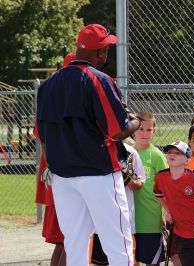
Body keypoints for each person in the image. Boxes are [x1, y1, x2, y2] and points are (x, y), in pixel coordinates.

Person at [36, 24, 141, 265]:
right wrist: (136, 121)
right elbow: (119, 131)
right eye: (106, 49)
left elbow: (42, 134)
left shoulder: (47, 86)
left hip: (62, 178)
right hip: (98, 174)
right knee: (119, 245)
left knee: (75, 245)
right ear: (100, 53)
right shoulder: (98, 79)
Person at [33, 51, 76, 266]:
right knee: (69, 241)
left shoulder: (53, 96)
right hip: (63, 179)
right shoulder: (62, 100)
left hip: (59, 179)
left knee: (66, 242)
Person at [90, 137, 146, 265]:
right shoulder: (93, 150)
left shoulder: (129, 152)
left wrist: (126, 178)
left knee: (128, 259)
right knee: (100, 261)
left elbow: (138, 184)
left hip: (123, 218)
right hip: (99, 218)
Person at [133, 111, 168, 266]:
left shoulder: (157, 156)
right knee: (130, 260)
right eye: (140, 129)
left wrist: (167, 214)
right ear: (133, 129)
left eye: (149, 129)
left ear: (154, 131)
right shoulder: (127, 153)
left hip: (150, 221)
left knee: (152, 262)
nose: (144, 133)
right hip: (130, 219)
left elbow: (166, 188)